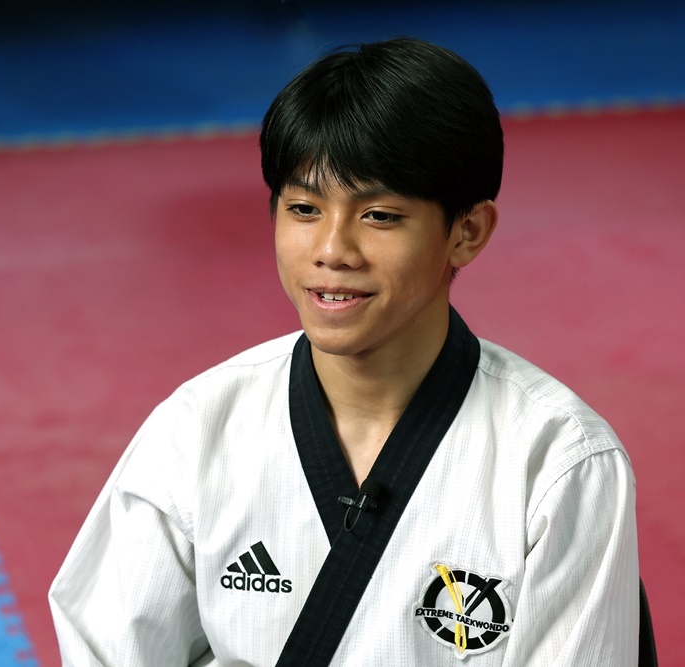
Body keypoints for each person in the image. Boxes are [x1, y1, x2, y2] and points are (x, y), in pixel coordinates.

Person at [49, 37, 640, 665]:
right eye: (303, 208)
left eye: (380, 216)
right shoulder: (198, 429)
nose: (332, 249)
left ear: (466, 232)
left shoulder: (560, 462)